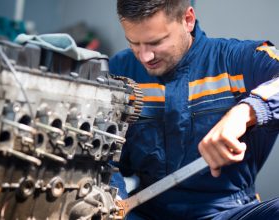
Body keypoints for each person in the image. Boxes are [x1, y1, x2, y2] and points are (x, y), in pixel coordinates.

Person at [109, 0, 279, 219]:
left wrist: (244, 112)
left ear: (187, 20)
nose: (145, 57)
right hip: (145, 212)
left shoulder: (236, 61)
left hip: (227, 212)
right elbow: (102, 158)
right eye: (133, 43)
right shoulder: (119, 71)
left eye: (156, 42)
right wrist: (114, 197)